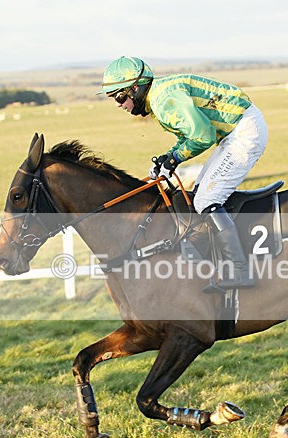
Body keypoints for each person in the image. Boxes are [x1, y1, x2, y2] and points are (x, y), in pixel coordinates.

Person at [98, 56, 268, 290]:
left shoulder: (164, 99)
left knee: (207, 199)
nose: (119, 104)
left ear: (135, 89)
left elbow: (203, 136)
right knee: (200, 194)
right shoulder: (158, 97)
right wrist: (168, 158)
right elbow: (187, 136)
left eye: (119, 96)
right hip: (234, 132)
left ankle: (240, 270)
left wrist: (176, 158)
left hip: (242, 132)